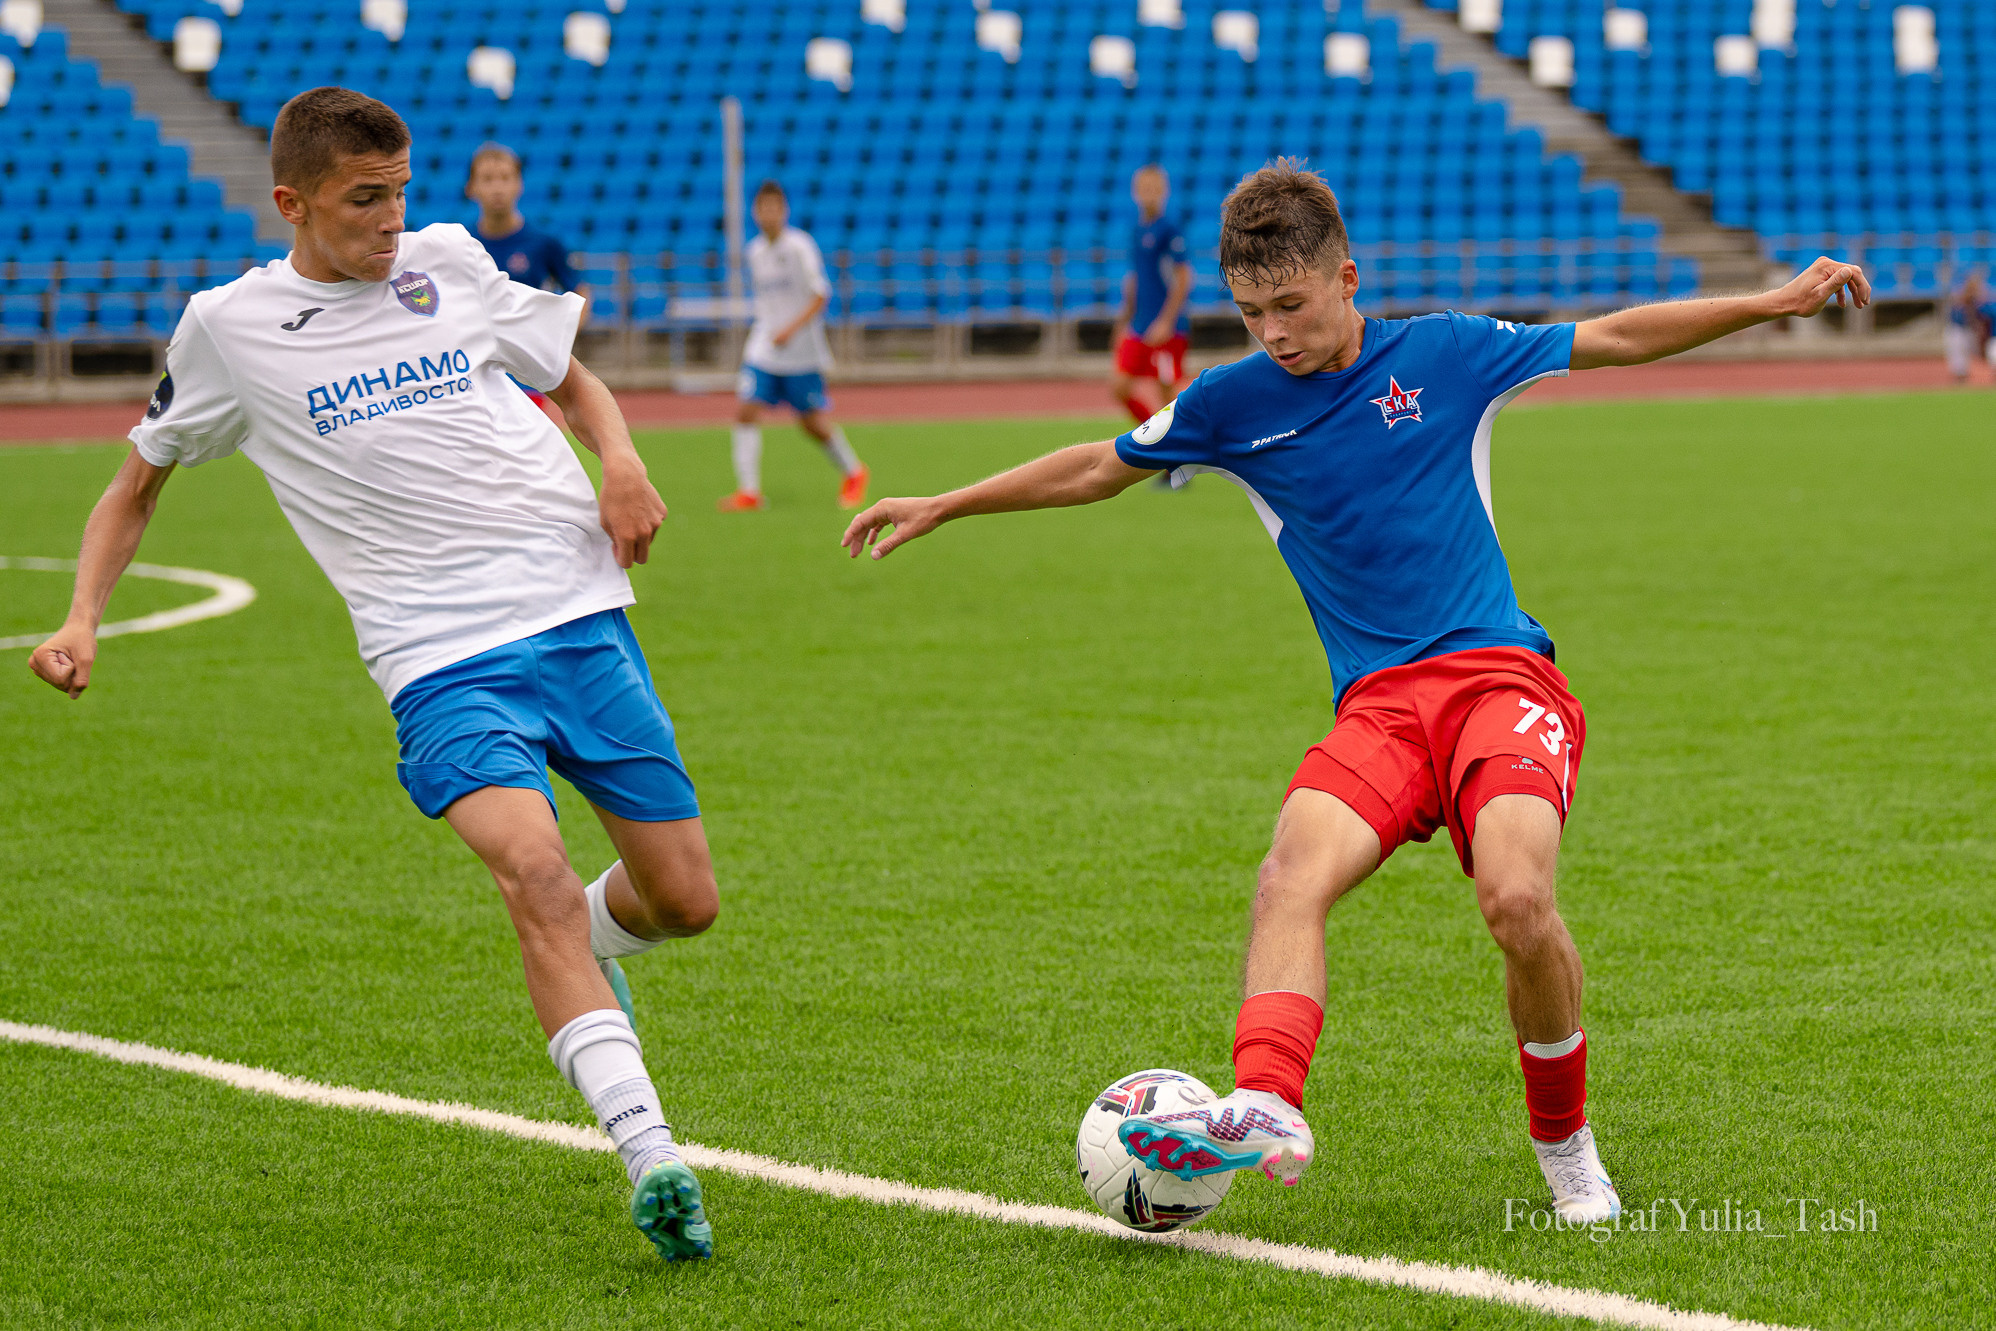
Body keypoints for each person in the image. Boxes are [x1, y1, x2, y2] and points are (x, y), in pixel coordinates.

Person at [841, 161, 1870, 1224]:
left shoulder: (1444, 352)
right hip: (1379, 709)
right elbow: (1096, 466)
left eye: (1290, 304)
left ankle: (1564, 1145)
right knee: (1288, 872)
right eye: (1249, 312)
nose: (1273, 332)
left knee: (1516, 900)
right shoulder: (1230, 404)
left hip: (1495, 679)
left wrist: (1771, 301)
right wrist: (948, 503)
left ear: (1346, 275)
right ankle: (1265, 1104)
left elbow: (1611, 334)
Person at [28, 87, 718, 1263]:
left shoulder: (449, 257)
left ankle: (587, 949)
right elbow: (134, 483)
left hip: (576, 616)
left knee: (683, 900)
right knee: (534, 873)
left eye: (402, 189)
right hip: (439, 659)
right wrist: (83, 616)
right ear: (294, 202)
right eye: (365, 198)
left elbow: (572, 375)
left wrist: (620, 459)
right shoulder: (229, 328)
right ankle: (653, 1153)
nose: (394, 217)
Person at [720, 180, 869, 513]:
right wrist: (770, 330)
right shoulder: (755, 251)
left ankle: (855, 472)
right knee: (746, 410)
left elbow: (821, 295)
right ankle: (749, 491)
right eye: (763, 208)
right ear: (755, 213)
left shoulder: (801, 247)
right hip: (764, 349)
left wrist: (789, 329)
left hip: (802, 352)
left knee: (811, 423)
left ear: (784, 211)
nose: (769, 215)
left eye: (775, 207)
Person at [465, 141, 590, 406]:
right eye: (487, 179)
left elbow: (580, 292)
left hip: (526, 374)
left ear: (519, 184)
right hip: (475, 373)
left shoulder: (543, 242)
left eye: (505, 178)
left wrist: (558, 342)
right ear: (471, 187)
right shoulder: (461, 243)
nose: (497, 187)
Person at [1109, 164, 1193, 427]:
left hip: (1166, 328)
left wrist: (1167, 321)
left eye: (1155, 189)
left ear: (1165, 192)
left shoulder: (1169, 229)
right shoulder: (1136, 230)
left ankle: (1176, 450)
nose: (1149, 194)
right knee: (1119, 387)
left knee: (1168, 393)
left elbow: (1183, 277)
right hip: (1141, 324)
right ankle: (1154, 439)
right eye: (1144, 189)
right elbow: (1134, 278)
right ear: (1135, 193)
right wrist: (1124, 320)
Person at [1942, 271, 1983, 383]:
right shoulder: (1959, 296)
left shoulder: (1976, 299)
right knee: (1956, 352)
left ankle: (1964, 375)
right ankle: (1960, 376)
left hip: (1967, 329)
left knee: (1966, 352)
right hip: (1956, 328)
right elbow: (1959, 303)